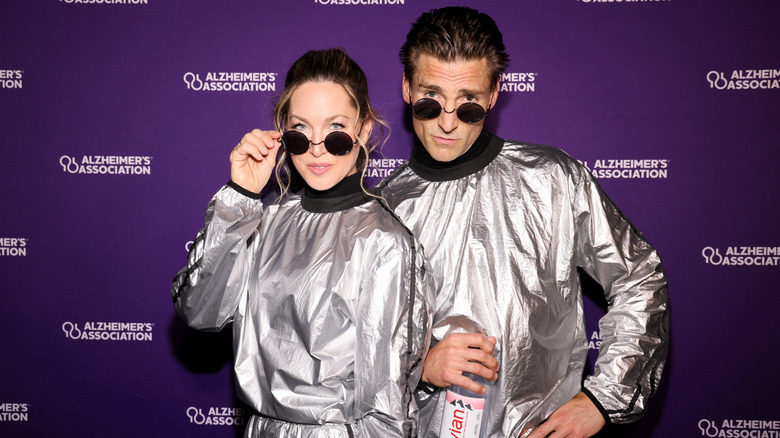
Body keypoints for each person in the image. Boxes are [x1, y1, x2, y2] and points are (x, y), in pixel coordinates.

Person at [376, 7, 670, 438]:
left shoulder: (552, 178)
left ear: (494, 94)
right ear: (406, 88)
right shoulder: (380, 211)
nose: (447, 121)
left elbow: (639, 277)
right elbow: (352, 351)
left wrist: (602, 400)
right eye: (430, 99)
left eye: (469, 105)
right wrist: (418, 367)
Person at [171, 48, 434, 437]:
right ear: (283, 130)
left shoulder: (386, 242)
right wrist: (239, 197)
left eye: (336, 129)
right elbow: (199, 312)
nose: (316, 147)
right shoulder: (263, 222)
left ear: (363, 130)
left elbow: (388, 405)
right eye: (301, 129)